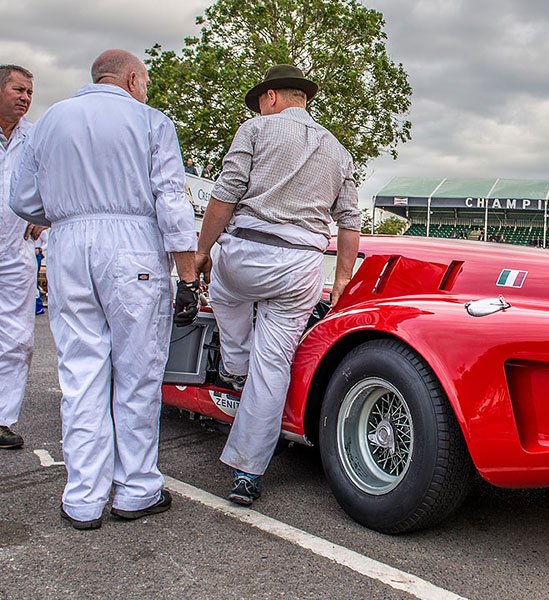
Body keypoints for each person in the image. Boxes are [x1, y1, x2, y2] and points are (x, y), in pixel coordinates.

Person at [10, 49, 199, 530]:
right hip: (132, 243)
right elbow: (172, 201)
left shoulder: (50, 121)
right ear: (133, 79)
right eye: (147, 82)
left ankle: (83, 498)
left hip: (69, 243)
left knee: (81, 372)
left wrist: (66, 213)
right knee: (136, 371)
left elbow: (22, 199)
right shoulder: (150, 121)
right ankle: (136, 488)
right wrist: (189, 274)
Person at [195, 64, 360, 507]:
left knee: (224, 294)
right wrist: (342, 277)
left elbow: (225, 195)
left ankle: (234, 360)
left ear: (270, 98)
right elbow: (349, 221)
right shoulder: (338, 149)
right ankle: (247, 473)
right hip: (302, 265)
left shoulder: (255, 128)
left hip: (248, 251)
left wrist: (201, 251)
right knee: (274, 369)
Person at [0, 64, 44, 450]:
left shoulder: (35, 136)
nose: (25, 98)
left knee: (17, 337)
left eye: (29, 92)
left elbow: (54, 180)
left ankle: (1, 418)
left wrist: (44, 216)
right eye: (18, 90)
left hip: (15, 249)